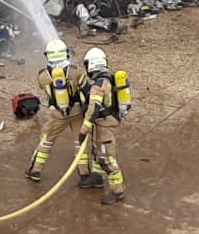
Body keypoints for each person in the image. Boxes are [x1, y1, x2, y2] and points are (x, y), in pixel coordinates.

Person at [24, 39, 95, 185]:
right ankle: (85, 175)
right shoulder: (75, 71)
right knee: (79, 142)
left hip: (57, 115)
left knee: (47, 141)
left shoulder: (42, 76)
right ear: (66, 53)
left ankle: (35, 170)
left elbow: (44, 89)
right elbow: (86, 89)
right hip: (77, 112)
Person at [80, 47, 132, 205]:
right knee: (97, 152)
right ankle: (96, 177)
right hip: (107, 121)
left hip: (105, 125)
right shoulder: (108, 78)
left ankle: (117, 191)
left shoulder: (98, 84)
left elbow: (93, 108)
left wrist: (84, 130)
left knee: (107, 159)